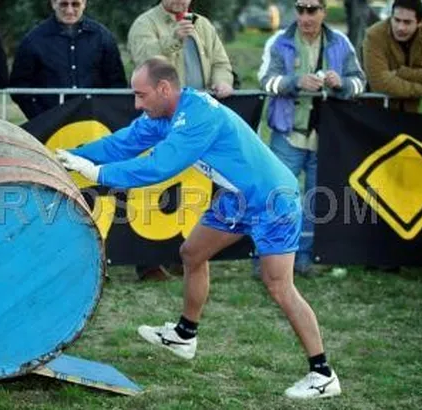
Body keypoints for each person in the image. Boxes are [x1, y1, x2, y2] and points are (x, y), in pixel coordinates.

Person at [56, 57, 341, 399]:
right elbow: (120, 144)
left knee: (279, 286)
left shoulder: (196, 117)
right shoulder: (164, 112)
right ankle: (185, 335)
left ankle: (323, 374)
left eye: (141, 95)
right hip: (238, 198)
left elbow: (160, 166)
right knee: (192, 253)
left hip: (271, 200)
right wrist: (64, 156)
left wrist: (99, 175)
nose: (136, 103)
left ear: (164, 89)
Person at [258, 0, 366, 275]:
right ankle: (265, 262)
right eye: (300, 9)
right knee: (277, 198)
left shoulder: (341, 42)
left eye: (312, 9)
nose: (305, 16)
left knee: (317, 201)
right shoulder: (278, 41)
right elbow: (265, 80)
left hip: (325, 135)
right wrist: (295, 82)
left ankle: (304, 260)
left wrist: (341, 84)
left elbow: (360, 82)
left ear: (323, 12)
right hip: (287, 134)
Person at [10, 0, 127, 120]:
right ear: (53, 4)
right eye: (64, 4)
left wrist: (105, 114)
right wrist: (40, 117)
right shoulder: (33, 40)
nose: (69, 10)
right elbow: (19, 86)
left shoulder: (103, 37)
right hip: (49, 123)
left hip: (95, 121)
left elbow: (117, 83)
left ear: (84, 4)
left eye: (75, 4)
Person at [127, 0, 234, 98]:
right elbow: (142, 60)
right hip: (162, 107)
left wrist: (222, 81)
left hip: (202, 105)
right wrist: (173, 39)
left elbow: (220, 63)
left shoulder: (203, 24)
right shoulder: (144, 23)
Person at [363, 0, 422, 113]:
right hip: (377, 113)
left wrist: (402, 72)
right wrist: (421, 90)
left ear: (419, 23)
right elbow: (380, 82)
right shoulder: (374, 35)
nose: (400, 27)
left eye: (407, 22)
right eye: (397, 20)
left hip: (411, 113)